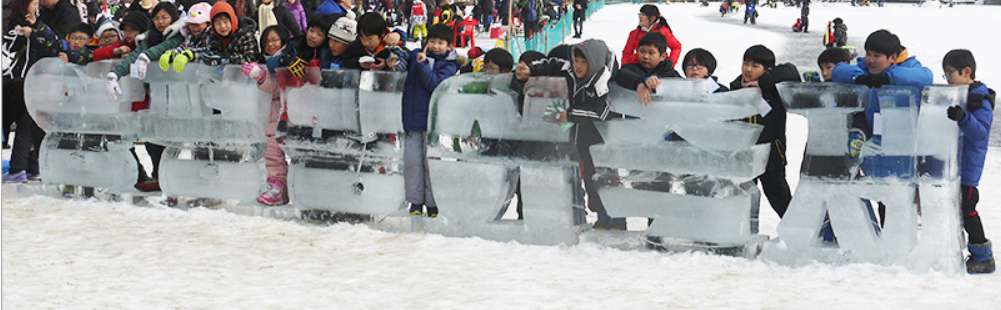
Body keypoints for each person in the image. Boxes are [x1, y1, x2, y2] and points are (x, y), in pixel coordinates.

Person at [516, 39, 624, 230]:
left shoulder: (602, 82)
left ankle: (616, 218)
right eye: (576, 61)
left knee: (606, 179)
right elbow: (552, 64)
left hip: (603, 141)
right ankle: (601, 216)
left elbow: (602, 112)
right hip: (582, 138)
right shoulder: (570, 71)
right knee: (590, 180)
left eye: (584, 62)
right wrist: (530, 72)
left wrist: (571, 114)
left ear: (594, 62)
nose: (578, 66)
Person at [831, 29, 933, 227]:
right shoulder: (864, 70)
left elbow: (925, 76)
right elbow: (838, 71)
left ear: (892, 57)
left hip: (902, 151)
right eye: (868, 53)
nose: (870, 60)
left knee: (899, 202)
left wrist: (889, 77)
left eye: (877, 56)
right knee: (881, 198)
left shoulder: (909, 67)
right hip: (876, 148)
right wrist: (859, 78)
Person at [729, 45, 801, 218]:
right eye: (746, 63)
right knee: (744, 201)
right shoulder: (736, 87)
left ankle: (794, 230)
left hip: (771, 155)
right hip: (744, 155)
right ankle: (747, 232)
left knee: (779, 197)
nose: (748, 69)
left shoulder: (775, 89)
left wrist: (763, 83)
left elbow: (791, 71)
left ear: (767, 70)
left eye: (755, 66)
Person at [941, 49, 995, 274]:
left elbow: (980, 133)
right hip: (953, 166)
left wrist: (963, 118)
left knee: (968, 210)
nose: (948, 79)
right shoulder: (959, 95)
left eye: (950, 73)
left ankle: (983, 256)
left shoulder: (979, 100)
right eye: (945, 74)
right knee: (955, 210)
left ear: (966, 71)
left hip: (968, 169)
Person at [402, 24, 459, 218]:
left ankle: (433, 203)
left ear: (449, 46)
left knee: (430, 164)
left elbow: (435, 85)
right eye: (432, 41)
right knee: (412, 163)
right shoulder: (416, 56)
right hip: (412, 120)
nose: (435, 46)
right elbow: (400, 54)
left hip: (434, 124)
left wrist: (423, 65)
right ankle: (415, 201)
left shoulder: (450, 66)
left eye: (440, 43)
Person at [2, 0, 62, 183]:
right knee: (28, 122)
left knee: (28, 123)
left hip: (32, 79)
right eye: (33, 3)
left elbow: (54, 45)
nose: (37, 6)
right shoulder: (14, 20)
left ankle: (21, 168)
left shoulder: (39, 21)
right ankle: (28, 167)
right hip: (20, 80)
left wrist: (33, 32)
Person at [240, 23, 293, 206]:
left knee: (276, 152)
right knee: (273, 152)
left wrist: (261, 76)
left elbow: (280, 87)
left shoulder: (287, 59)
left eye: (274, 40)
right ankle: (278, 189)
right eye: (266, 42)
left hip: (290, 114)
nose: (270, 44)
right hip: (277, 115)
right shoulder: (271, 61)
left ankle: (283, 189)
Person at [614, 32, 680, 106]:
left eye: (651, 53)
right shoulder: (632, 67)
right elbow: (621, 74)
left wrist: (654, 85)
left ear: (663, 56)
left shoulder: (670, 73)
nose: (645, 56)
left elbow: (679, 88)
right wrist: (639, 84)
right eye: (642, 51)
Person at [158, 2, 214, 73]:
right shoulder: (190, 36)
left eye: (198, 24)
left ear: (208, 23)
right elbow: (183, 47)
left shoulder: (212, 36)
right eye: (191, 24)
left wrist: (191, 54)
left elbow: (210, 52)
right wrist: (172, 54)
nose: (194, 28)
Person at [343, 12, 408, 71]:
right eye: (362, 38)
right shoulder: (357, 46)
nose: (366, 43)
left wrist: (386, 65)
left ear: (382, 34)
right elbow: (346, 60)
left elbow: (405, 63)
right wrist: (358, 64)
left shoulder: (390, 47)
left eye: (370, 39)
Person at [622, 4, 681, 69]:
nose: (640, 17)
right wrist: (625, 67)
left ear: (652, 18)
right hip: (639, 67)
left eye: (643, 15)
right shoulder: (634, 33)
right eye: (640, 14)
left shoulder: (663, 32)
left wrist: (670, 64)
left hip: (659, 69)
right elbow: (627, 53)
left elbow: (676, 46)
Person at [204, 1, 260, 65]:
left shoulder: (245, 34)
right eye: (217, 23)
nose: (222, 26)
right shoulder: (211, 36)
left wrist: (227, 59)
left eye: (226, 21)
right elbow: (206, 51)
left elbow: (250, 58)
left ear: (232, 20)